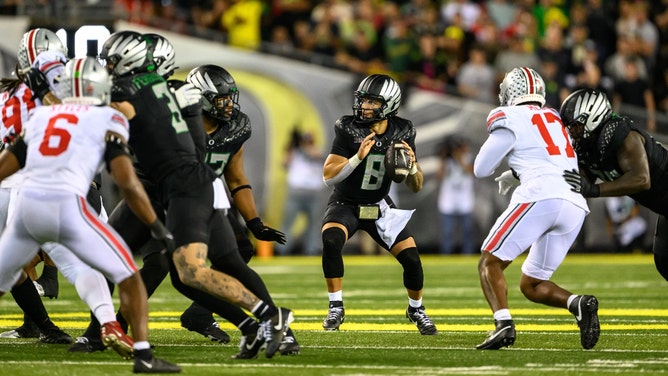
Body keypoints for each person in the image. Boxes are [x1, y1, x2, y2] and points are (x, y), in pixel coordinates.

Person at [99, 31, 293, 359]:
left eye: (112, 62)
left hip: (182, 189)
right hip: (198, 184)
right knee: (184, 277)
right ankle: (255, 324)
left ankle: (270, 317)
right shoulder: (170, 91)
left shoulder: (132, 91)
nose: (108, 68)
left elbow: (117, 116)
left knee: (191, 271)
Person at [0, 57, 180, 373]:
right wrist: (156, 225)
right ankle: (142, 355)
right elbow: (127, 182)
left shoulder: (42, 115)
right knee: (128, 274)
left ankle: (107, 323)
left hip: (25, 207)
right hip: (66, 206)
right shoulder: (109, 118)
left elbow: (4, 167)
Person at [473, 67, 599, 350]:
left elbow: (481, 168)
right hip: (574, 203)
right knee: (532, 284)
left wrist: (511, 165)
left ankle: (503, 325)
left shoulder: (509, 116)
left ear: (510, 92)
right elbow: (546, 155)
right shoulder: (554, 117)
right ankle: (577, 303)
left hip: (540, 196)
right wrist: (517, 171)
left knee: (489, 263)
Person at [185, 63, 300, 356]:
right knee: (167, 266)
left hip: (209, 201)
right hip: (171, 199)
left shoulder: (236, 125)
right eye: (220, 98)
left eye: (229, 97)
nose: (228, 105)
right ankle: (110, 326)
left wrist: (255, 222)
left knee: (238, 252)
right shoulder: (181, 124)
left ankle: (207, 313)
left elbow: (236, 177)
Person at [320, 73, 437, 335]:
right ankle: (335, 307)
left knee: (412, 259)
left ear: (389, 105)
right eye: (363, 101)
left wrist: (412, 166)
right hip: (345, 202)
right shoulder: (348, 127)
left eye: (372, 102)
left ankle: (416, 309)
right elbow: (328, 176)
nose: (365, 107)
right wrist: (356, 158)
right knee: (331, 240)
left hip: (379, 205)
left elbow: (416, 186)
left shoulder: (404, 130)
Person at [559, 88, 668, 281]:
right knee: (664, 261)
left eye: (575, 125)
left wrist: (594, 190)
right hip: (664, 205)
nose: (572, 131)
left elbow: (641, 179)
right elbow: (577, 179)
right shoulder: (589, 146)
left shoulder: (622, 135)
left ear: (592, 116)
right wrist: (525, 173)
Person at [276, 129, 326, 255]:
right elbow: (284, 163)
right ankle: (282, 250)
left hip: (313, 194)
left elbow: (316, 155)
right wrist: (291, 145)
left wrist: (304, 147)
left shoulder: (317, 150)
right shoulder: (294, 151)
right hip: (296, 193)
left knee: (313, 224)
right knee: (288, 222)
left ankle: (312, 250)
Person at [436, 135, 476, 255]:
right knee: (447, 232)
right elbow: (440, 176)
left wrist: (459, 159)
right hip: (448, 201)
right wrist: (443, 159)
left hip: (465, 201)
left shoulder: (470, 158)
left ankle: (468, 255)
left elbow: (472, 172)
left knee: (467, 232)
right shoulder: (447, 161)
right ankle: (446, 255)